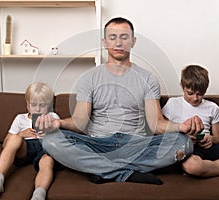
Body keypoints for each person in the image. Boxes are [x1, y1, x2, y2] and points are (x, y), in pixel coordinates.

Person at [37, 17, 203, 185]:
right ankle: (125, 174)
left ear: (133, 41)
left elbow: (156, 124)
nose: (118, 43)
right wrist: (58, 123)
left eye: (124, 37)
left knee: (184, 143)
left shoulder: (148, 79)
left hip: (136, 145)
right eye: (112, 37)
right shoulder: (89, 78)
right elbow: (80, 121)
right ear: (104, 42)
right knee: (50, 140)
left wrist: (180, 127)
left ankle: (102, 170)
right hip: (98, 144)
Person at [0, 82, 60, 200]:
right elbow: (5, 143)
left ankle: (39, 193)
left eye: (42, 105)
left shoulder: (53, 116)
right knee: (14, 138)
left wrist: (49, 132)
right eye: (34, 105)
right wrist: (20, 134)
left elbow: (61, 139)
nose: (38, 109)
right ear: (28, 105)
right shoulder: (20, 118)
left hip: (44, 148)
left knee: (48, 161)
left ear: (49, 105)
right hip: (25, 148)